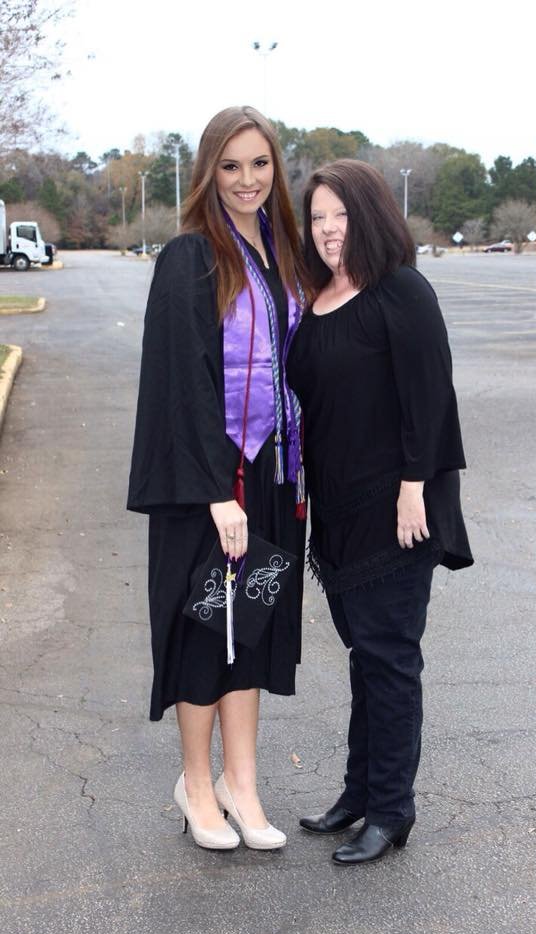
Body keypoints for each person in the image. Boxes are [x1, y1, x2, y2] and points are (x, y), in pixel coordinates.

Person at [127, 106, 309, 852]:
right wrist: (214, 494)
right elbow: (181, 384)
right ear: (209, 170)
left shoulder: (279, 253)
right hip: (211, 483)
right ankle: (196, 787)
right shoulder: (189, 258)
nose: (246, 180)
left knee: (252, 630)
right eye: (230, 166)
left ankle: (242, 783)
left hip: (267, 477)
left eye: (259, 164)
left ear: (276, 170)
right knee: (207, 630)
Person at [286, 159, 473, 865]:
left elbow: (431, 397)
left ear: (370, 216)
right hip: (337, 512)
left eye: (341, 214)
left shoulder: (401, 290)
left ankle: (392, 811)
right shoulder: (321, 292)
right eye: (318, 217)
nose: (330, 229)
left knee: (390, 660)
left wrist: (413, 486)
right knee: (366, 658)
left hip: (398, 511)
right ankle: (359, 794)